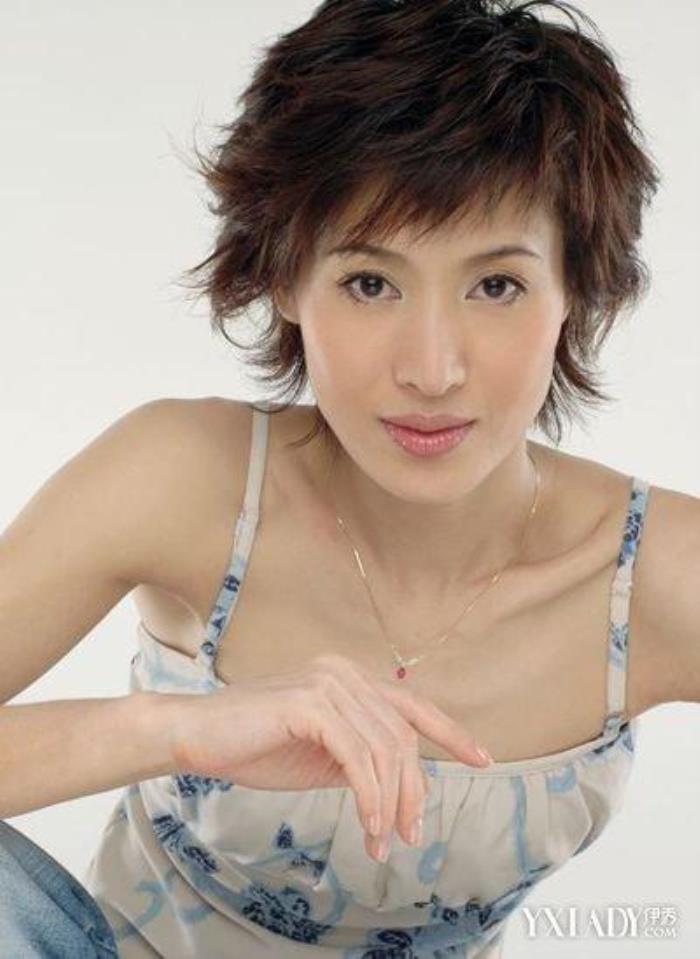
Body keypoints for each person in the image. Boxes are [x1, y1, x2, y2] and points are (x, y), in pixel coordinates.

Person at [2, 0, 698, 956]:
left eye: (496, 285)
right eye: (371, 283)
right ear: (285, 279)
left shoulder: (653, 575)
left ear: (575, 290)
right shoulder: (186, 479)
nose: (432, 369)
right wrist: (178, 729)